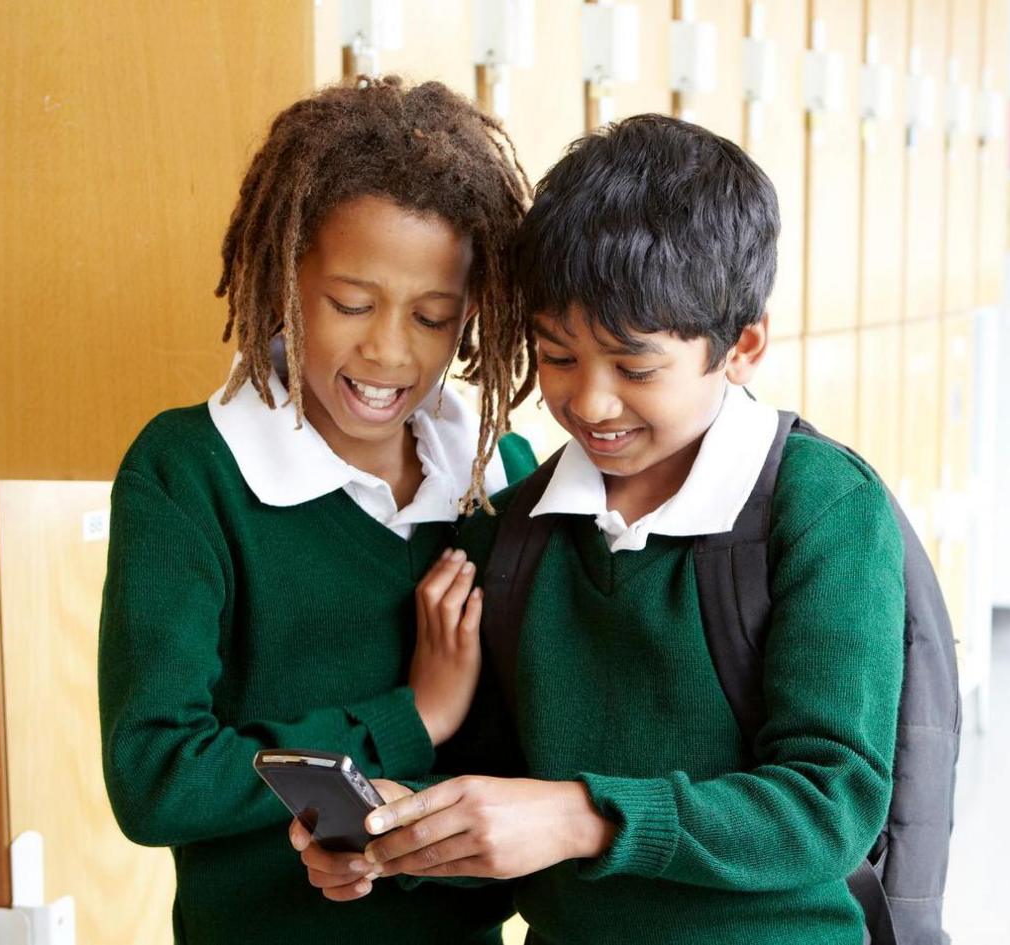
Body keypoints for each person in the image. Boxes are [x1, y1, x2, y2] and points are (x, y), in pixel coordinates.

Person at [297, 114, 908, 945]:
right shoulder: (518, 530)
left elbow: (827, 803)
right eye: (557, 356)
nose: (590, 402)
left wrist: (587, 817)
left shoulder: (820, 508)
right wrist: (401, 840)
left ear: (743, 345)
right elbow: (497, 802)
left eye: (635, 365)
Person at [98, 76, 535, 944]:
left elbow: (527, 750)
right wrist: (410, 718)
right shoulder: (191, 473)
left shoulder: (499, 470)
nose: (388, 350)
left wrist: (388, 830)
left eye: (434, 316)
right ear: (283, 273)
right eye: (351, 304)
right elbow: (157, 775)